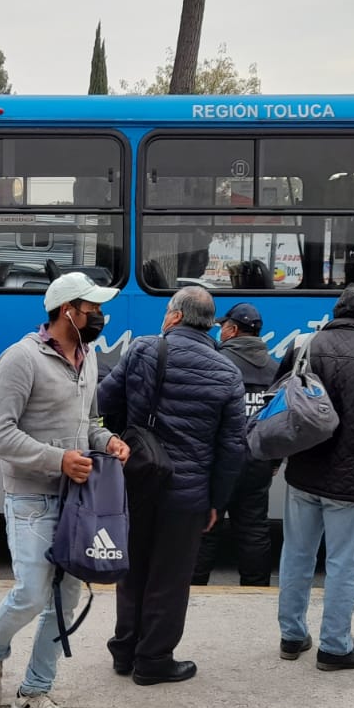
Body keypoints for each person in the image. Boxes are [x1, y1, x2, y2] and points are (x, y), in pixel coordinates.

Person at [0, 272, 129, 708]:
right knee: (32, 593)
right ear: (68, 312)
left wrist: (108, 439)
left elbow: (87, 422)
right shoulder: (21, 359)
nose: (100, 316)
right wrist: (57, 460)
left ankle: (34, 692)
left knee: (65, 597)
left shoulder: (88, 357)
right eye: (92, 308)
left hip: (77, 500)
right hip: (30, 498)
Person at [98, 286, 246, 686]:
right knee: (170, 577)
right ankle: (154, 659)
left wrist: (124, 435)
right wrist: (217, 501)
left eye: (167, 311)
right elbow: (232, 448)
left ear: (177, 316)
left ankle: (125, 650)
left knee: (133, 568)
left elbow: (103, 399)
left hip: (138, 480)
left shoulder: (145, 349)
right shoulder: (227, 372)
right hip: (188, 493)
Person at [276, 284, 354, 670]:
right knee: (347, 563)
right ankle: (335, 646)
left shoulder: (305, 346)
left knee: (296, 554)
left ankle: (292, 636)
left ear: (337, 310)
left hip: (303, 471)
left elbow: (279, 397)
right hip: (352, 481)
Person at [192, 302, 278, 588]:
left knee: (206, 527)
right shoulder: (276, 370)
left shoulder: (214, 362)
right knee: (254, 528)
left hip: (218, 462)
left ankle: (192, 587)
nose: (220, 331)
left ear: (231, 330)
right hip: (257, 462)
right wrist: (273, 461)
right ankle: (256, 589)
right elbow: (281, 423)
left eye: (222, 327)